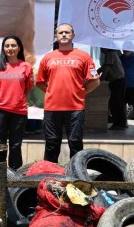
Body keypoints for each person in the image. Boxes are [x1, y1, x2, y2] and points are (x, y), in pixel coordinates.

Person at [36, 23, 100, 164]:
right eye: (60, 33)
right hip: (52, 108)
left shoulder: (84, 56)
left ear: (73, 35)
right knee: (52, 143)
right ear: (55, 36)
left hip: (75, 108)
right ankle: (49, 174)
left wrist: (81, 93)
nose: (63, 35)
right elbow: (39, 81)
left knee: (75, 142)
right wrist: (52, 91)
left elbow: (95, 81)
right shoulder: (48, 57)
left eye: (67, 32)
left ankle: (76, 174)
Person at [0, 36, 34, 170]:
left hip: (18, 112)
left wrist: (16, 100)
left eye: (13, 45)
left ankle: (15, 174)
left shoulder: (26, 66)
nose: (10, 48)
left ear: (19, 48)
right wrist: (2, 99)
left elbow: (28, 88)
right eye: (7, 46)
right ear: (3, 48)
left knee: (15, 145)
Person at [98, 48, 127, 130]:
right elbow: (103, 67)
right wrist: (96, 72)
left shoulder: (110, 54)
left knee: (116, 103)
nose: (101, 49)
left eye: (102, 47)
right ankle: (119, 123)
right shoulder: (110, 54)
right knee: (116, 102)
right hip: (116, 81)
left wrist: (102, 77)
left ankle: (119, 124)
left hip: (117, 81)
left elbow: (107, 67)